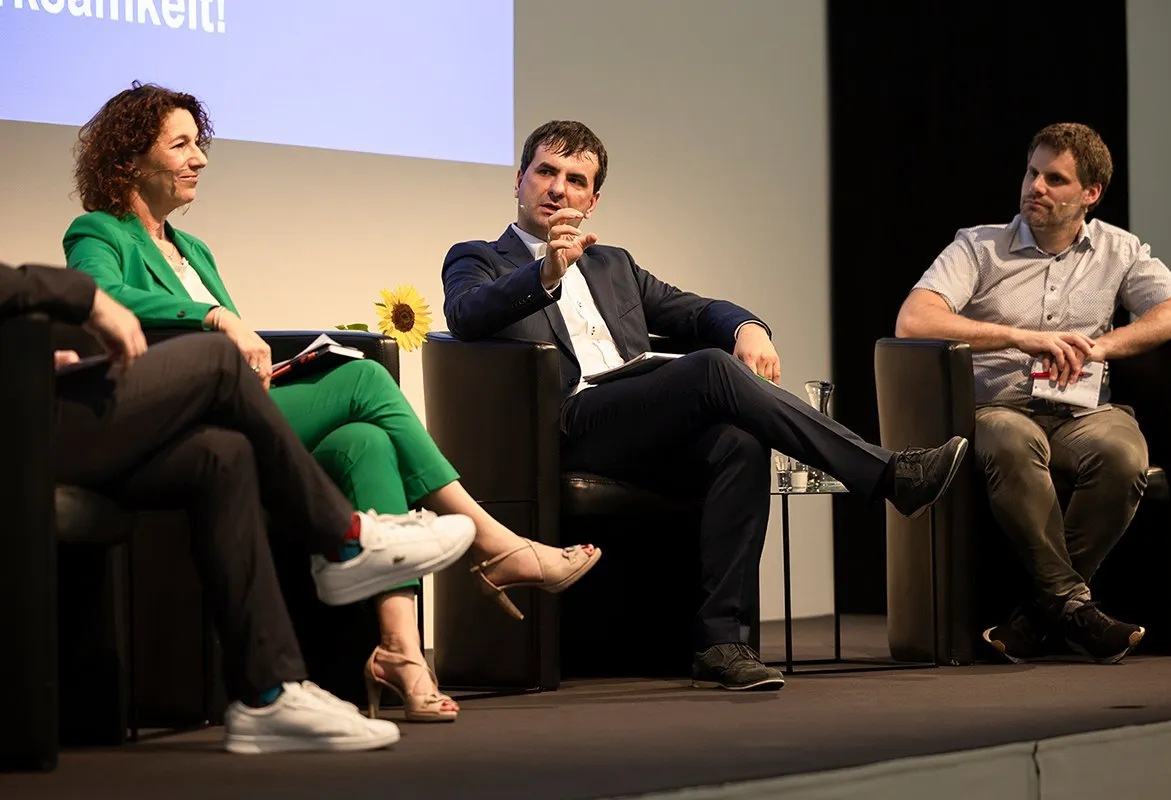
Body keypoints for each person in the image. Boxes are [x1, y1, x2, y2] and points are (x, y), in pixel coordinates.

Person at [63, 84, 601, 723]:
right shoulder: (99, 231)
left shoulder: (195, 250)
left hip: (236, 404)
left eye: (197, 144)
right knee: (368, 382)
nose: (200, 159)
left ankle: (401, 652)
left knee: (365, 442)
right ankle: (495, 543)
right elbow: (96, 296)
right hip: (175, 421)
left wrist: (244, 345)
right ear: (128, 159)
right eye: (180, 145)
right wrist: (209, 316)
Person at [441, 120, 969, 691]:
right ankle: (889, 473)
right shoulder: (479, 258)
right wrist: (543, 272)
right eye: (545, 172)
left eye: (575, 180)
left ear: (592, 201)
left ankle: (722, 642)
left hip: (633, 419)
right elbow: (466, 314)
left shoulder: (614, 265)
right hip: (564, 423)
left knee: (740, 443)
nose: (558, 189)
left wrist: (747, 326)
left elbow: (695, 312)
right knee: (713, 368)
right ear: (518, 181)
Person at [0, 262, 477, 752]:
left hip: (38, 400)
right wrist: (91, 298)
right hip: (22, 426)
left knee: (223, 455)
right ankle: (348, 542)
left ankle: (268, 694)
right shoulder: (99, 235)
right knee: (222, 362)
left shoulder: (191, 250)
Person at [895, 122, 1171, 665]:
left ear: (1090, 193)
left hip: (1085, 411)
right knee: (1012, 443)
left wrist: (1104, 347)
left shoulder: (1118, 250)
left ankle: (1042, 613)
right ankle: (1075, 608)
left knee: (1123, 454)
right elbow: (915, 319)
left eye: (1054, 179)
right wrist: (1020, 337)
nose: (1035, 186)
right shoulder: (979, 246)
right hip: (998, 408)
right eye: (1032, 172)